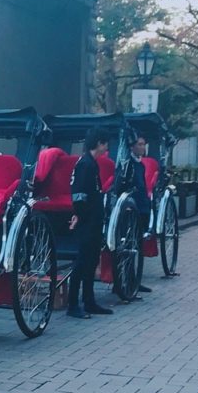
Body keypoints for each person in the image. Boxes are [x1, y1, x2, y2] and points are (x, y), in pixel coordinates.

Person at [67, 127, 114, 318]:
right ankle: (73, 305)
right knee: (82, 262)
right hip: (88, 220)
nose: (107, 148)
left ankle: (89, 301)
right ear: (99, 143)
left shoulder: (90, 163)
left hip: (93, 218)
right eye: (105, 144)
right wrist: (79, 214)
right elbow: (78, 193)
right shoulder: (86, 164)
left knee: (92, 260)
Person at [129, 135, 153, 293]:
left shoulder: (141, 165)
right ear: (132, 146)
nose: (143, 148)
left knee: (137, 245)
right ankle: (130, 279)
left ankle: (135, 278)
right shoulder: (128, 165)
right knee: (130, 245)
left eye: (144, 144)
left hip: (142, 206)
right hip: (132, 208)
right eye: (140, 144)